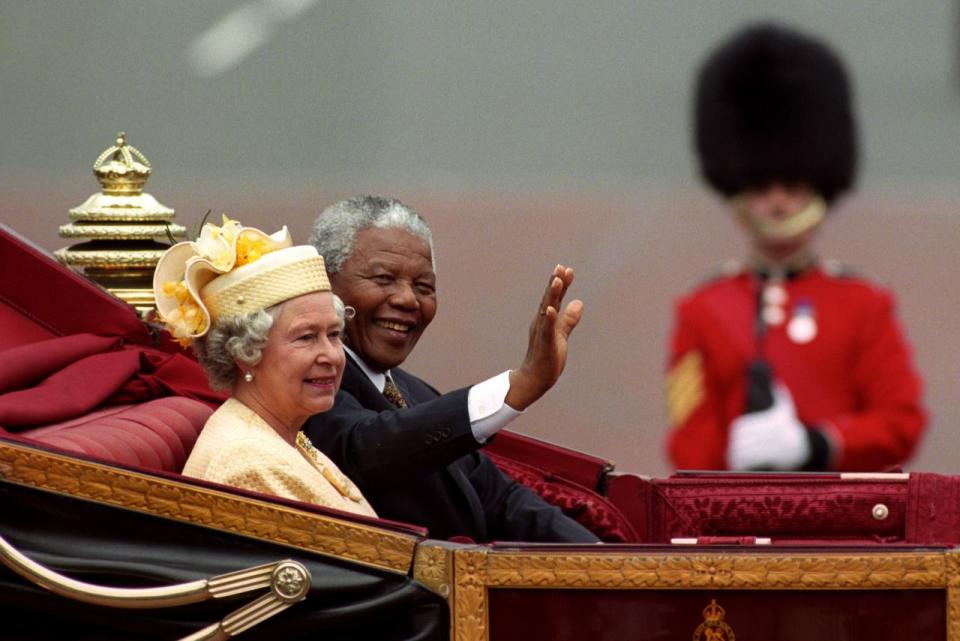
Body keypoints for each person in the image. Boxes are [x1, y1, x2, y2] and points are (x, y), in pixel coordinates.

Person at [665, 23, 926, 472]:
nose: (779, 202)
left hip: (842, 527)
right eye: (762, 186)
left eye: (793, 185)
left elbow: (901, 421)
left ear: (819, 187)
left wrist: (818, 444)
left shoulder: (863, 303)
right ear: (738, 192)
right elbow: (690, 438)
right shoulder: (701, 309)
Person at [304, 196, 599, 543]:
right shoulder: (308, 384)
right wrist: (520, 385)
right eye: (384, 279)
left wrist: (616, 566)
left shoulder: (414, 392)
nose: (408, 300)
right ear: (323, 283)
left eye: (423, 286)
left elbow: (500, 499)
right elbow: (369, 449)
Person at [152, 216, 376, 517]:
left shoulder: (285, 434)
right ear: (244, 352)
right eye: (306, 337)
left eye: (334, 335)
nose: (331, 356)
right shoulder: (248, 462)